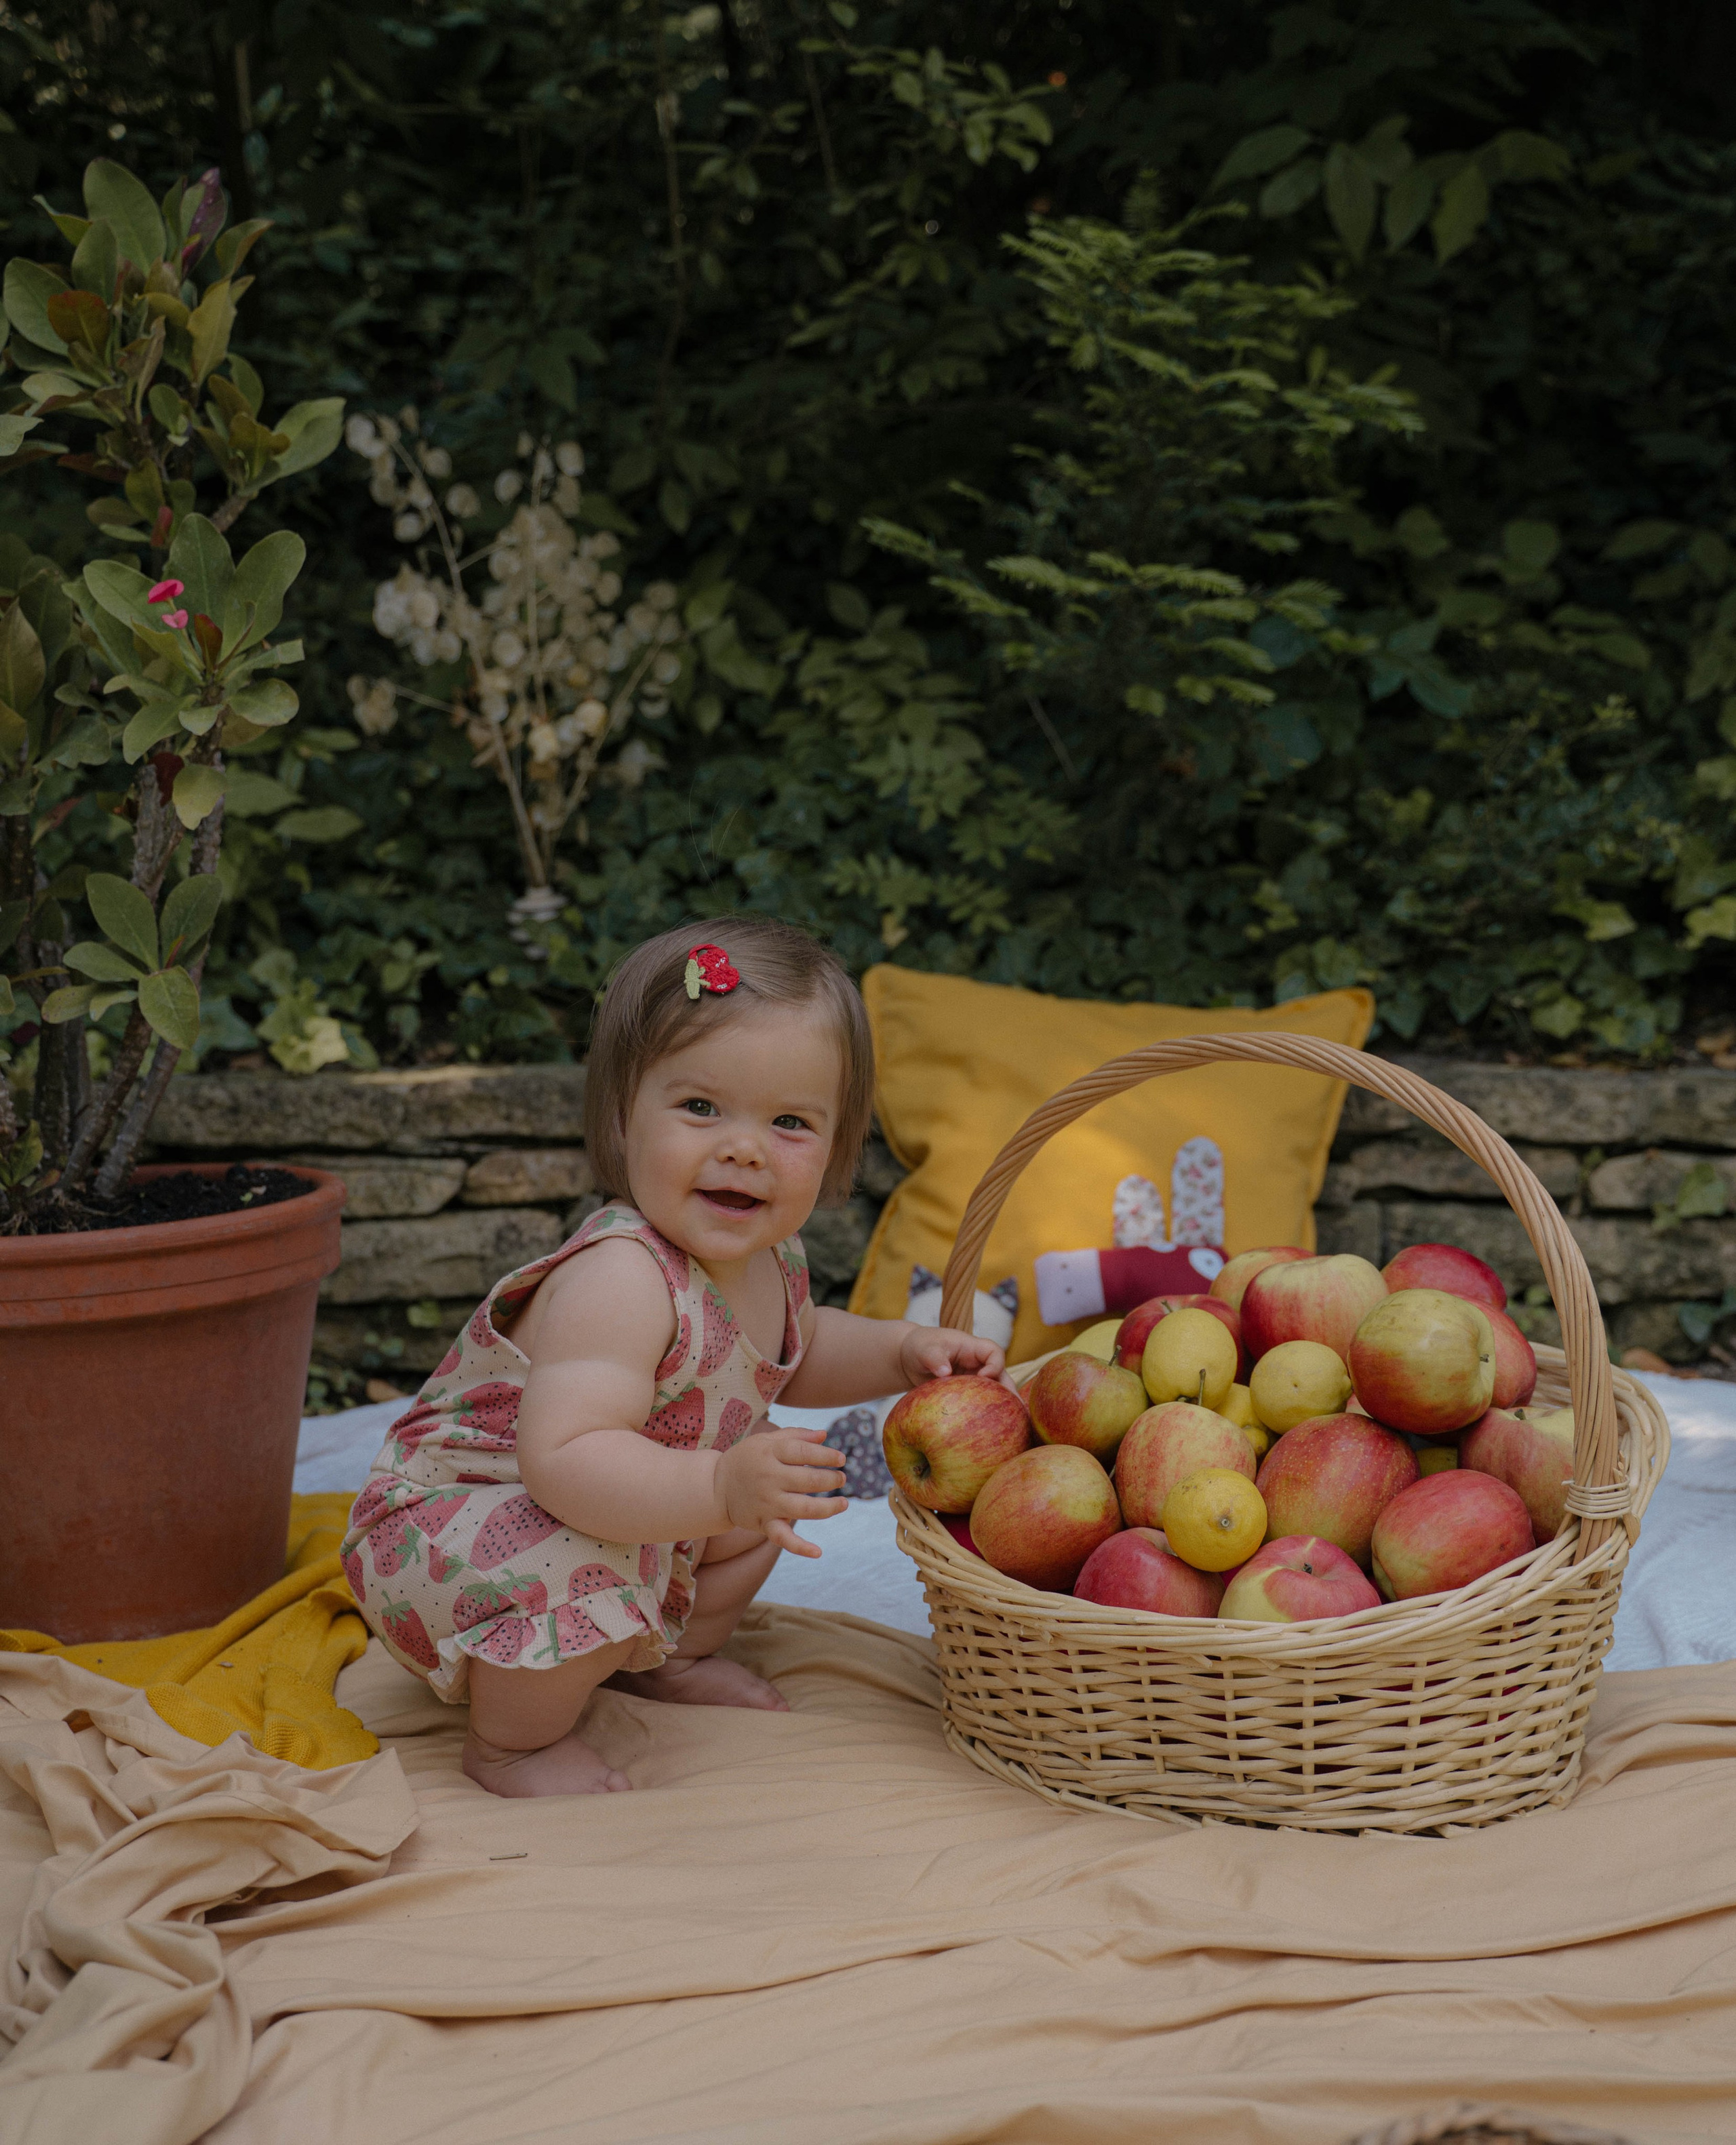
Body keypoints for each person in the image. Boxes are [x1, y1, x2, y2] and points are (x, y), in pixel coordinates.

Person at [342, 917, 1004, 1797]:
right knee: (613, 1557)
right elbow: (564, 1460)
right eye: (700, 1108)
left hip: (619, 1501)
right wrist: (718, 1487)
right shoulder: (620, 1277)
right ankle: (514, 1744)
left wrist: (903, 1350)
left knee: (767, 1508)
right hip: (469, 1524)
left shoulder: (768, 1260)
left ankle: (663, 1656)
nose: (744, 1147)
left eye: (791, 1122)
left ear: (838, 1146)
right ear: (624, 1117)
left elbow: (798, 1353)